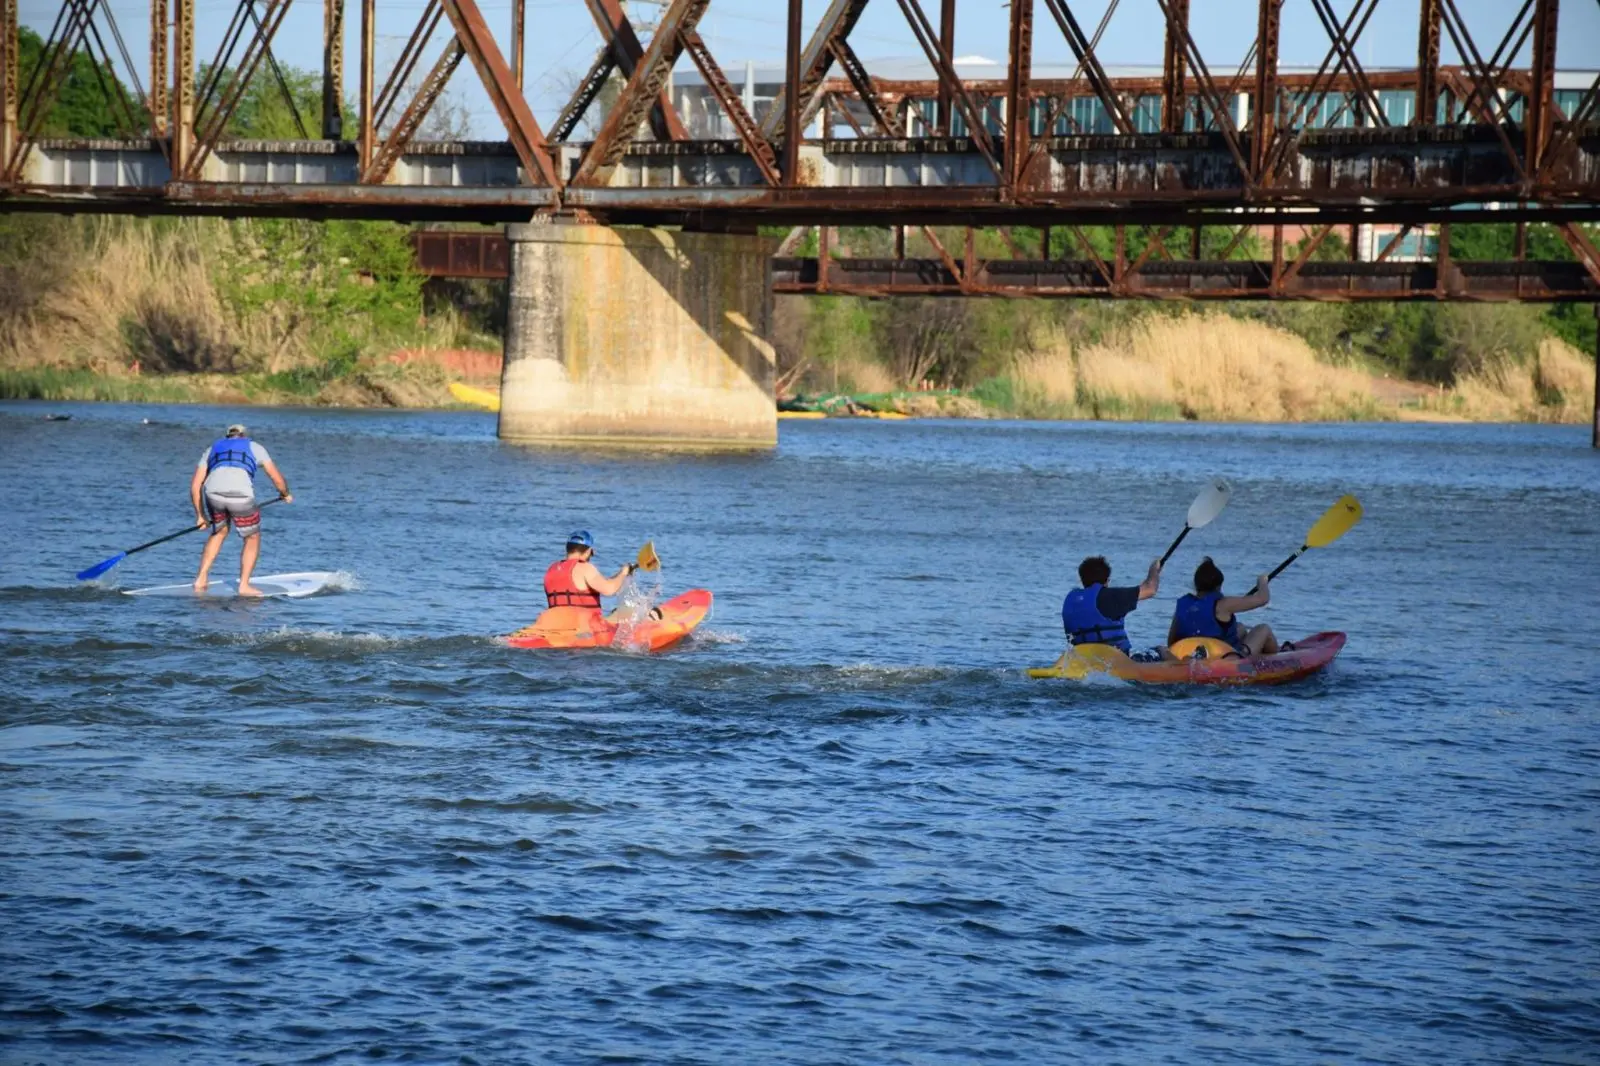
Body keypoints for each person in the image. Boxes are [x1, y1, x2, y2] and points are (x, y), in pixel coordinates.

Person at [190, 423, 291, 595]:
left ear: (227, 436)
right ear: (244, 435)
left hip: (212, 494)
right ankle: (244, 586)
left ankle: (201, 578)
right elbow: (276, 477)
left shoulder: (212, 448)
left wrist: (200, 516)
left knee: (219, 532)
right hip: (240, 496)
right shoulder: (255, 447)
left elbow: (195, 485)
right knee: (252, 537)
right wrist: (285, 493)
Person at [1167, 556, 1279, 658]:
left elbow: (1171, 642)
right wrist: (1262, 582)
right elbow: (1263, 599)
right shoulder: (1223, 604)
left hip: (1190, 654)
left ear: (1196, 585)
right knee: (1263, 629)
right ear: (1218, 586)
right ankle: (1278, 655)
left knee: (1240, 628)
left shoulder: (1183, 604)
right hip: (1223, 658)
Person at [1061, 555, 1167, 661]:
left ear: (1082, 579)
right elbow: (1150, 589)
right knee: (1161, 650)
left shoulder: (1071, 598)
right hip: (1114, 663)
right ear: (1107, 580)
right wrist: (1154, 569)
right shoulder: (1110, 596)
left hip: (1082, 661)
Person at [541, 531, 653, 630]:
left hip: (556, 627)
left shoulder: (551, 569)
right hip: (585, 629)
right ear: (588, 551)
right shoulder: (584, 567)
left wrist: (621, 573)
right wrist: (623, 573)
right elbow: (609, 590)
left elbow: (602, 582)